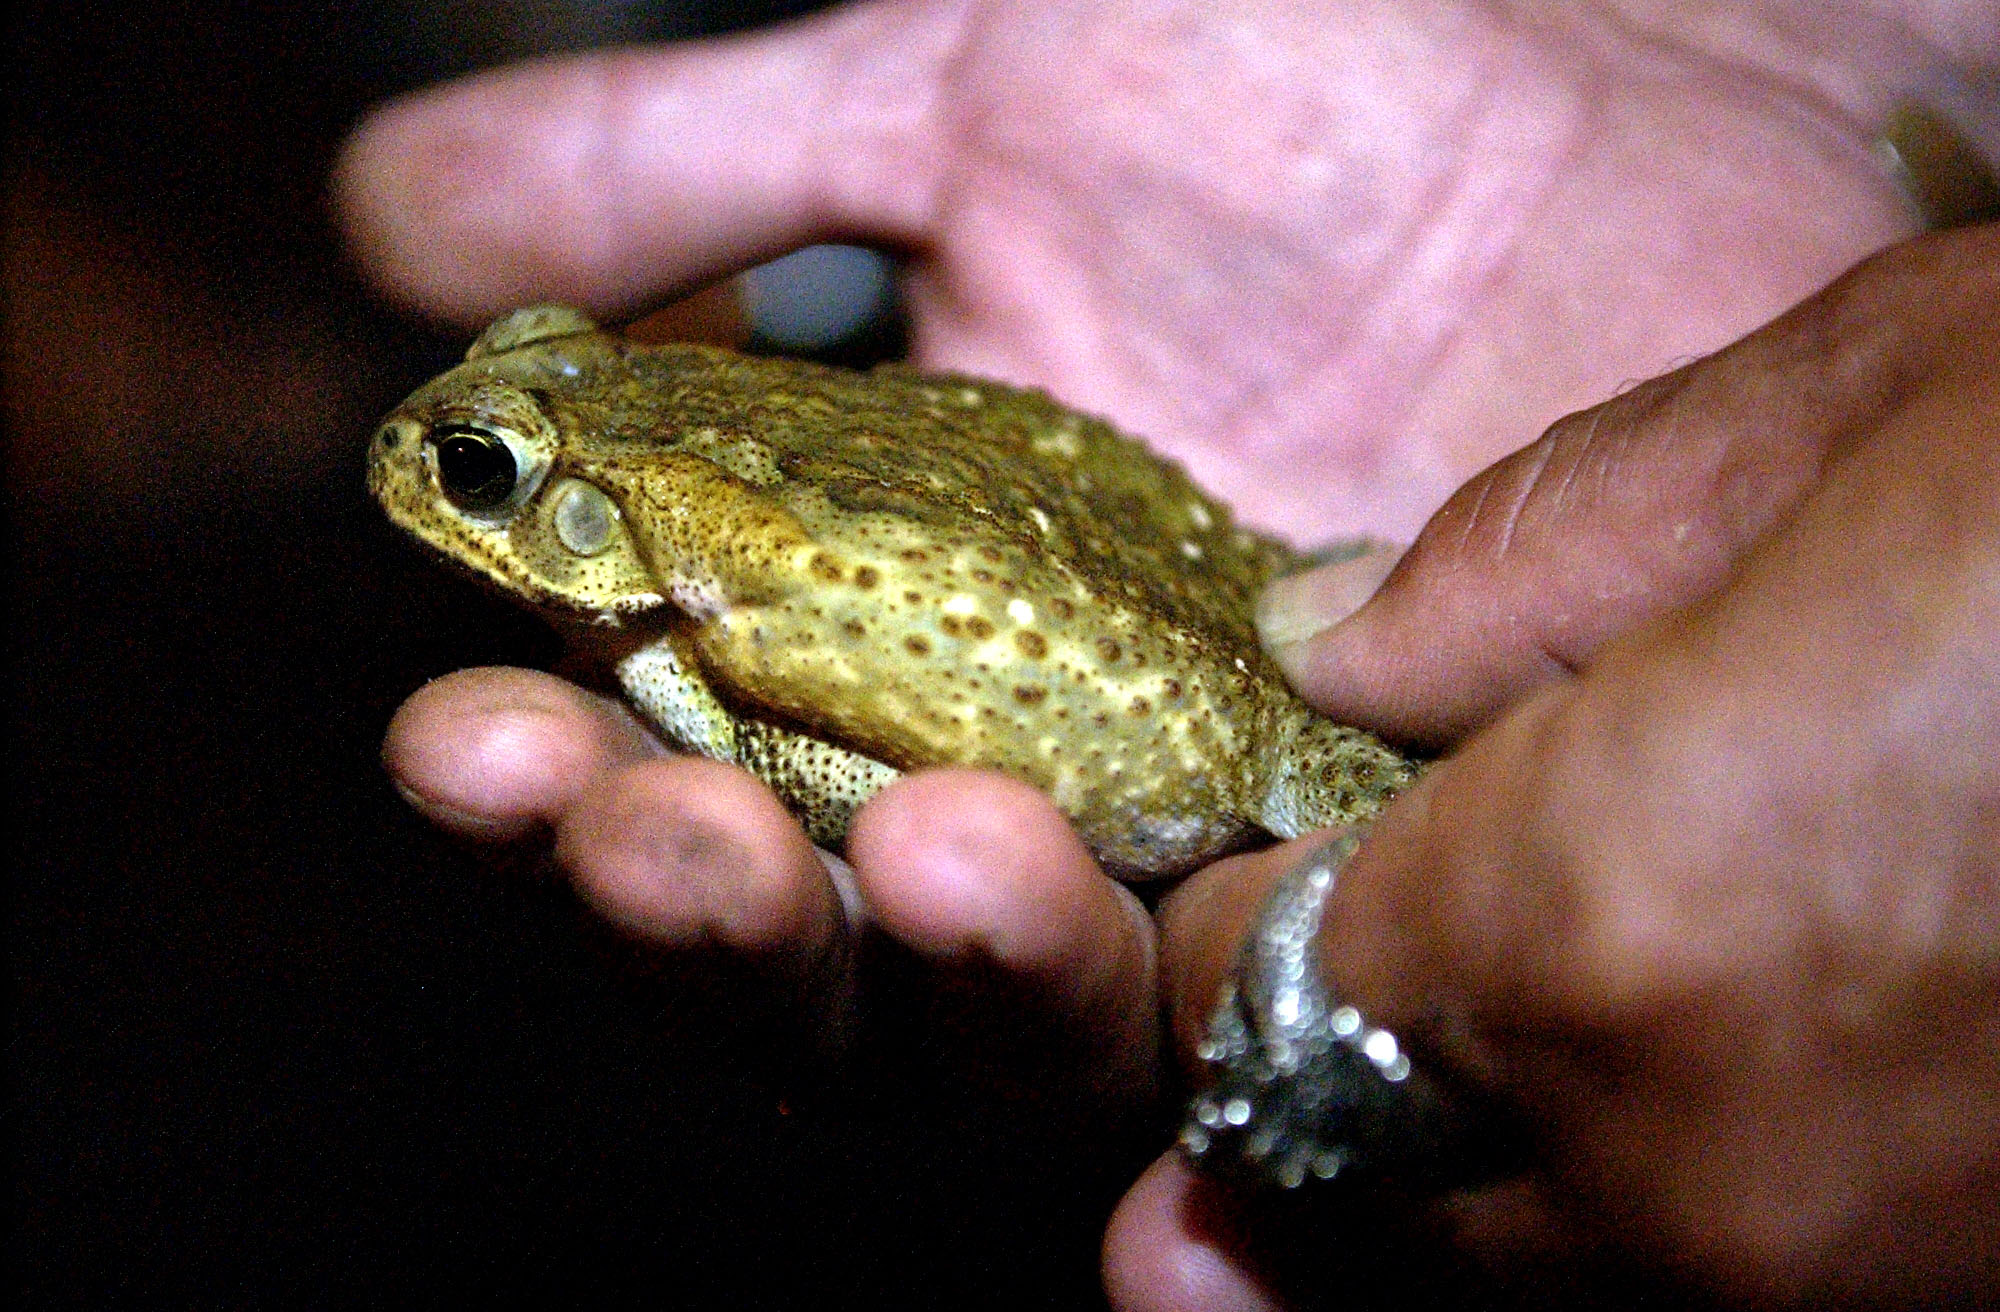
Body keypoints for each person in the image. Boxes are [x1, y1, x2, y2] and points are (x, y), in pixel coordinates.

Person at [335, 1, 1999, 1306]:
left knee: (1506, 897)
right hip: (1186, 580)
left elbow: (823, 765)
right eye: (498, 434)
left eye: (486, 470)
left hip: (1227, 720)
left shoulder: (698, 659)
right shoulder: (697, 559)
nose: (434, 466)